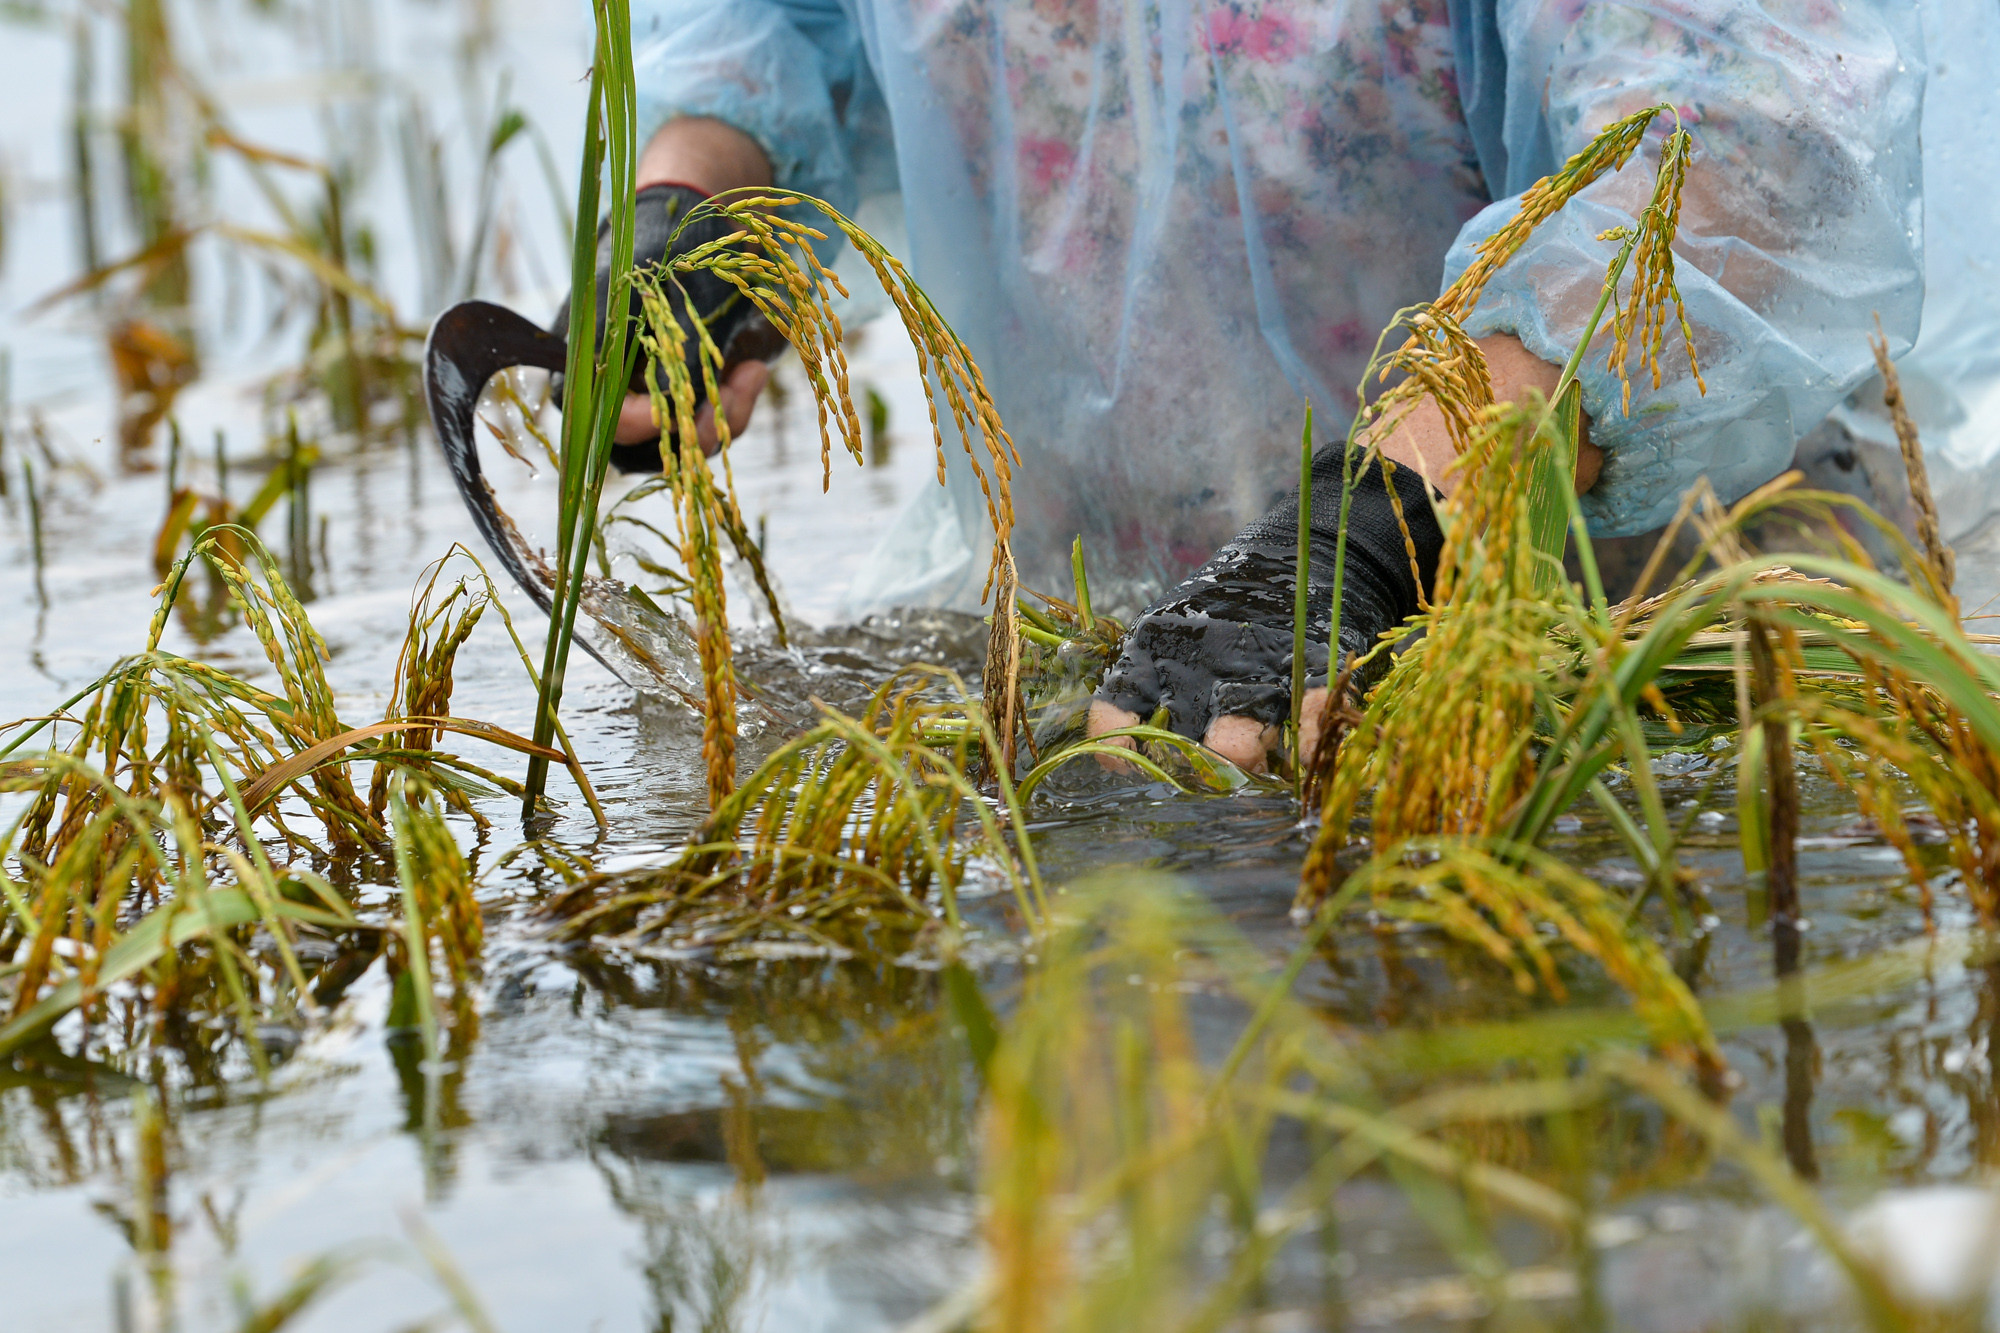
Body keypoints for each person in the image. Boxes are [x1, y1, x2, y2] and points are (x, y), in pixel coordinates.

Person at [601, 0, 2000, 772]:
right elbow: (790, 29)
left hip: (1636, 610)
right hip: (1105, 620)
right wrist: (696, 207)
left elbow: (1742, 149)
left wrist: (1383, 523)